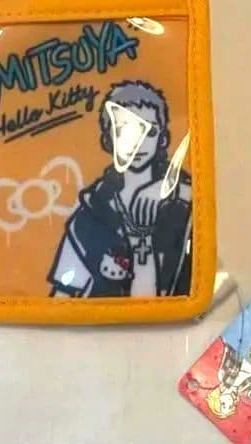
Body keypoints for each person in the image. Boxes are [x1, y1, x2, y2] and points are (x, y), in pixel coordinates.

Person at [47, 80, 191, 297]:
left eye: (150, 131)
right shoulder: (91, 211)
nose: (138, 143)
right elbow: (63, 294)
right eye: (125, 130)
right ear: (108, 137)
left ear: (162, 138)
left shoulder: (184, 201)